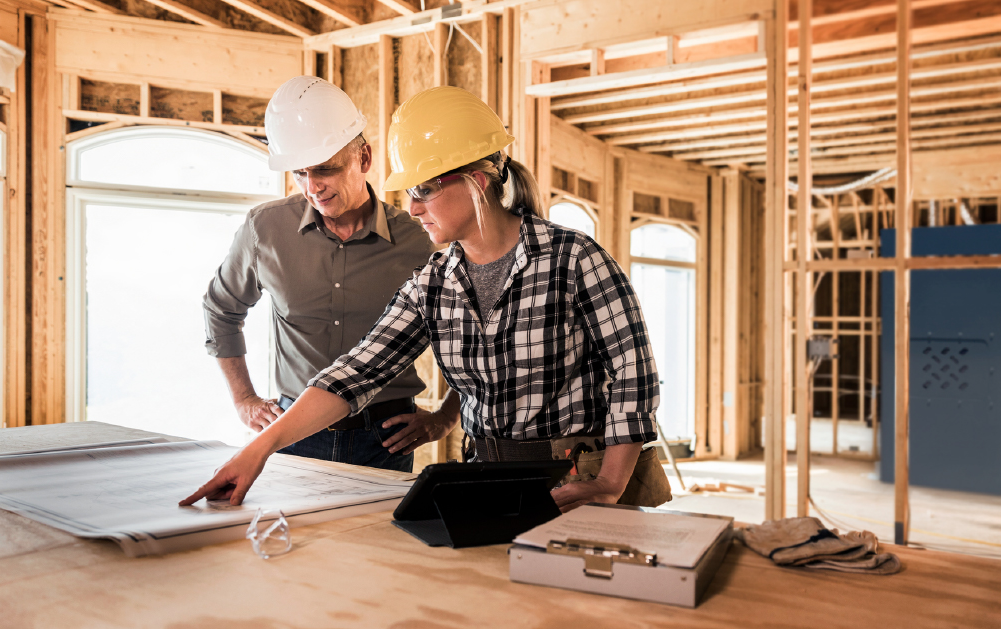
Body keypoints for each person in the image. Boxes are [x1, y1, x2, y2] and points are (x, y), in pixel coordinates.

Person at [184, 86, 668, 512]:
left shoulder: (573, 258)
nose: (412, 208)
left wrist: (610, 481)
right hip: (485, 473)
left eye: (425, 190)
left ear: (477, 181)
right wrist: (257, 450)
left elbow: (633, 370)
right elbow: (356, 373)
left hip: (577, 476)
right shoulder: (434, 282)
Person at [202, 76, 460, 473]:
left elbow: (477, 334)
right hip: (292, 430)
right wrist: (244, 399)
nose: (313, 187)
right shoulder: (265, 230)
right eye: (299, 173)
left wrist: (445, 417)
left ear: (364, 158)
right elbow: (221, 309)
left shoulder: (420, 239)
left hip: (386, 437)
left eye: (325, 169)